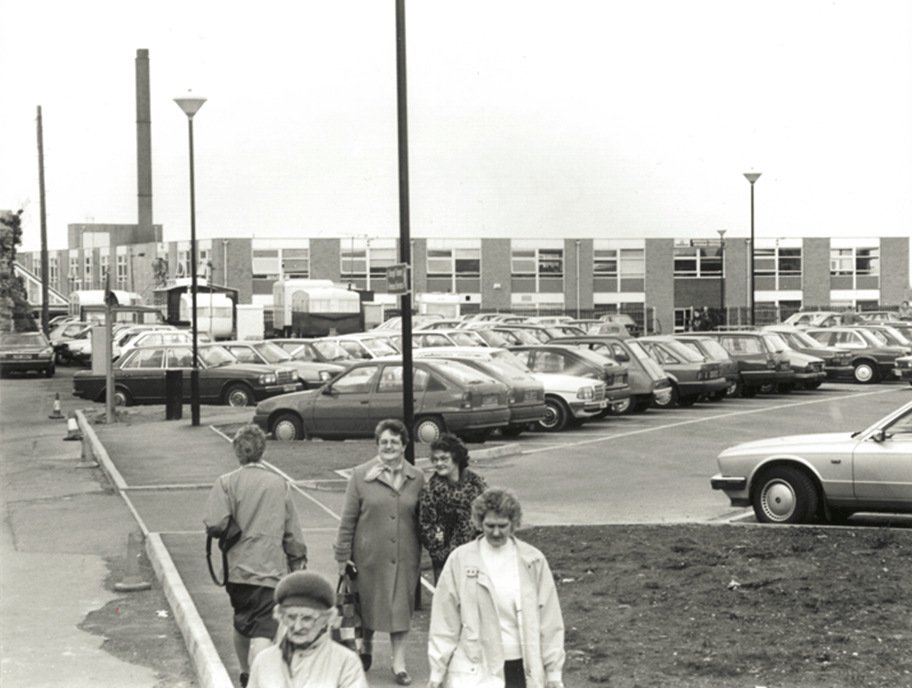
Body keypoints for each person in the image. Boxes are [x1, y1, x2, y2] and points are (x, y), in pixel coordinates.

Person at [428, 487, 566, 688]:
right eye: (489, 525)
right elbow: (444, 620)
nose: (495, 532)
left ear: (514, 523)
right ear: (479, 522)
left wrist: (553, 673)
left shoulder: (533, 560)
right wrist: (437, 672)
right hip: (474, 669)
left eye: (503, 526)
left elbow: (550, 620)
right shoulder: (460, 559)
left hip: (520, 667)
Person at [204, 424, 308, 688]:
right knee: (264, 630)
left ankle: (244, 671)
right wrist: (297, 562)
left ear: (237, 452)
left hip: (236, 570)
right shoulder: (279, 484)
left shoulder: (225, 483)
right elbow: (291, 532)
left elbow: (215, 523)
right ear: (262, 450)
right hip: (269, 569)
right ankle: (258, 681)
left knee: (241, 621)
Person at [334, 418, 425, 686]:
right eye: (383, 441)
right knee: (368, 606)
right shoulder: (360, 475)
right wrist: (342, 556)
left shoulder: (417, 477)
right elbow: (347, 519)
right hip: (368, 557)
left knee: (400, 610)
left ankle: (399, 664)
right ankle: (366, 648)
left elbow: (424, 518)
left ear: (404, 445)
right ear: (377, 445)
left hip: (405, 557)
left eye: (394, 441)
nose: (389, 446)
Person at [247, 570, 368, 688]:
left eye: (307, 618)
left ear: (325, 620)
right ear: (281, 617)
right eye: (291, 617)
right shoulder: (264, 660)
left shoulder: (345, 662)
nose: (297, 626)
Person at [418, 434, 488, 582]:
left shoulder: (476, 484)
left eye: (444, 459)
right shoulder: (431, 490)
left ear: (456, 458)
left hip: (477, 556)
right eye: (435, 459)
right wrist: (440, 552)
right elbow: (425, 525)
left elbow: (490, 514)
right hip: (447, 562)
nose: (439, 463)